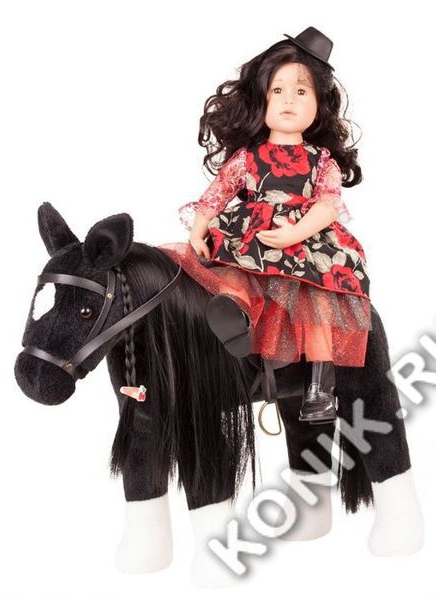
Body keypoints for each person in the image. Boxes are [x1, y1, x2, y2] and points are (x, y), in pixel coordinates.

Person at [166, 27, 372, 423]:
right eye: (278, 90)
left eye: (301, 92)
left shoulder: (321, 161)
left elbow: (328, 205)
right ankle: (235, 318)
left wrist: (297, 232)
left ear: (320, 106)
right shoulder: (248, 158)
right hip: (254, 235)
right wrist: (199, 227)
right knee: (232, 273)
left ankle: (318, 388)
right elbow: (218, 192)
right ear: (261, 99)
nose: (288, 100)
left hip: (306, 243)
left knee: (317, 300)